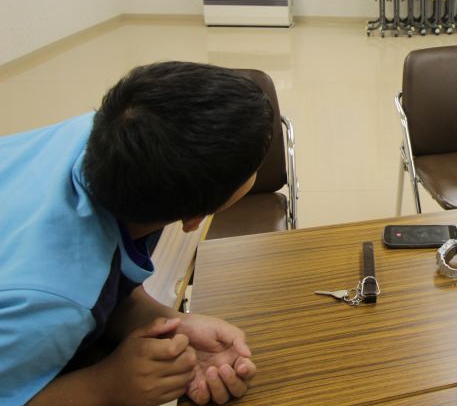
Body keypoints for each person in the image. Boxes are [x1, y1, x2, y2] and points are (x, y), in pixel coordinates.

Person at [0, 61, 273, 405]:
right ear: (195, 219)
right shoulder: (55, 302)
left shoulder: (105, 139)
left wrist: (169, 321)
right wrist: (105, 385)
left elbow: (108, 279)